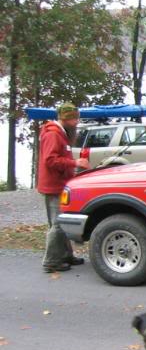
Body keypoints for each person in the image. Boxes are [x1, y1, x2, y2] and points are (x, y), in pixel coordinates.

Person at [37, 102, 89, 273]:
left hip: (60, 183)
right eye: (74, 119)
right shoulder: (53, 135)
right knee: (58, 224)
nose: (76, 122)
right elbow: (50, 160)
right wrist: (74, 162)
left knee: (63, 222)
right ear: (65, 118)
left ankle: (65, 255)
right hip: (54, 185)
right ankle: (51, 261)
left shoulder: (61, 133)